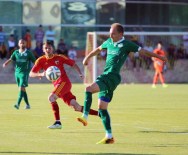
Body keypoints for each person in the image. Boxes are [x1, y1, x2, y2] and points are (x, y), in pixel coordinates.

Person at [76, 23, 167, 144]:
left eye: (113, 33)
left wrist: (159, 57)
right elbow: (98, 49)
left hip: (111, 76)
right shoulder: (108, 42)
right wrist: (86, 58)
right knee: (102, 108)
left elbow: (143, 52)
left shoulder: (126, 44)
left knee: (88, 89)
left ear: (120, 34)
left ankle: (85, 116)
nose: (110, 34)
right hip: (109, 77)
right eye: (110, 32)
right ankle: (109, 136)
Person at [29, 41, 98, 129]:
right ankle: (100, 114)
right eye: (45, 48)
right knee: (76, 107)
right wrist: (41, 74)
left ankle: (58, 123)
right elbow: (31, 73)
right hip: (58, 85)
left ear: (52, 48)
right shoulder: (41, 60)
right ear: (43, 49)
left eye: (49, 48)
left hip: (64, 83)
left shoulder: (59, 57)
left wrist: (80, 73)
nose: (48, 49)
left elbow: (73, 64)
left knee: (51, 97)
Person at [3, 39, 36, 109]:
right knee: (22, 89)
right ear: (18, 44)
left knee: (21, 88)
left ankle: (17, 104)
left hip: (25, 73)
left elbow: (35, 62)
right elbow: (11, 59)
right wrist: (6, 63)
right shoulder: (16, 52)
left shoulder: (29, 53)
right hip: (17, 73)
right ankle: (27, 105)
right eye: (21, 43)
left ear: (25, 44)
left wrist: (38, 71)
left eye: (23, 43)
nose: (22, 44)